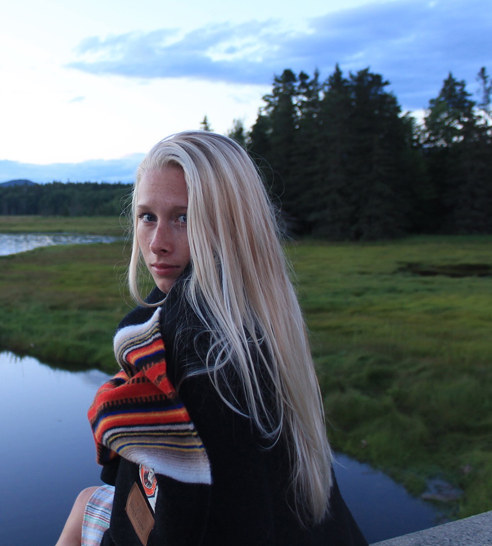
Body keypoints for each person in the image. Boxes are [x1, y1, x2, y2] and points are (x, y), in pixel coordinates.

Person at [57, 131, 367, 546]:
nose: (157, 244)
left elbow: (170, 528)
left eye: (183, 218)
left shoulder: (189, 360)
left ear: (231, 227)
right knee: (85, 502)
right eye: (148, 217)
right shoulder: (262, 316)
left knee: (85, 507)